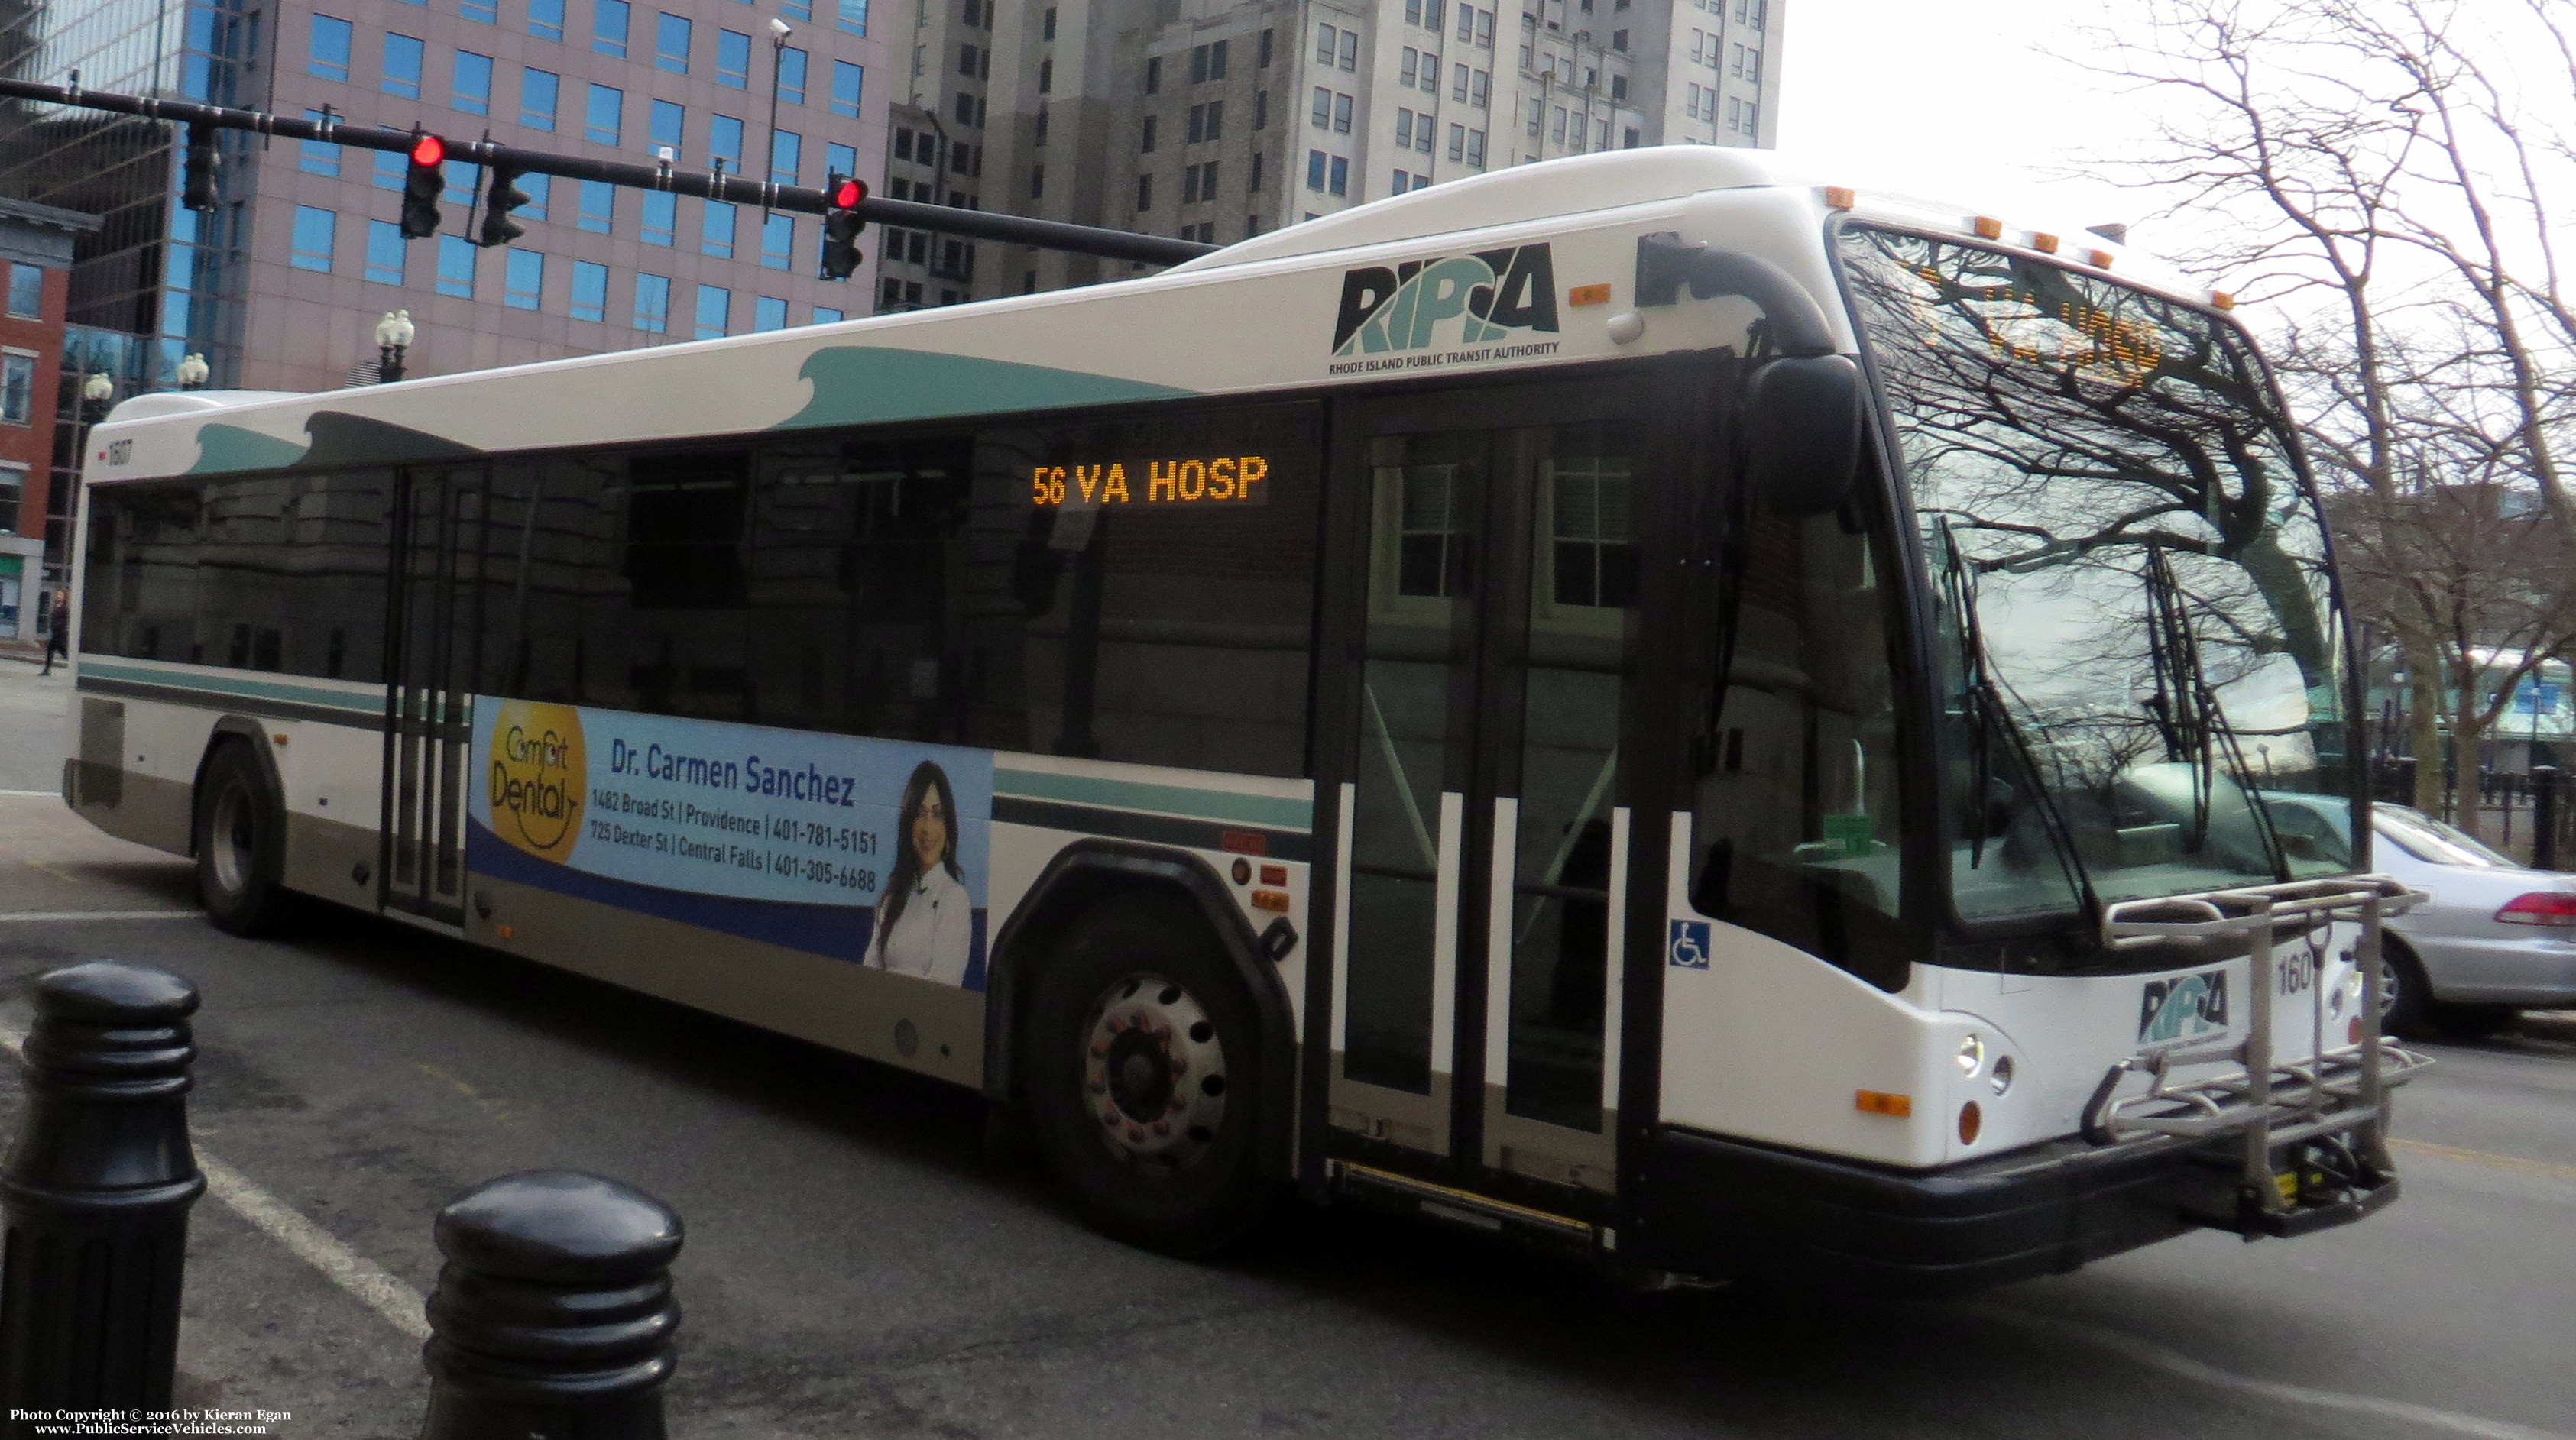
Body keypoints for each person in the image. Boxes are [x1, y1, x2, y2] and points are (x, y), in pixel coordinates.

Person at [864, 759, 975, 985]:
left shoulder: (954, 898)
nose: (927, 828)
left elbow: (943, 988)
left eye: (937, 814)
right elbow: (867, 977)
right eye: (920, 813)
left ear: (948, 825)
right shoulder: (892, 897)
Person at [37, 590, 68, 675]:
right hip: (55, 633)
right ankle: (47, 670)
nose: (59, 596)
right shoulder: (56, 606)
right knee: (51, 650)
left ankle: (72, 663)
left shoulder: (65, 608)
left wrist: (59, 626)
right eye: (58, 594)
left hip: (60, 633)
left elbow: (65, 620)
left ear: (65, 596)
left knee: (61, 650)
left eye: (61, 594)